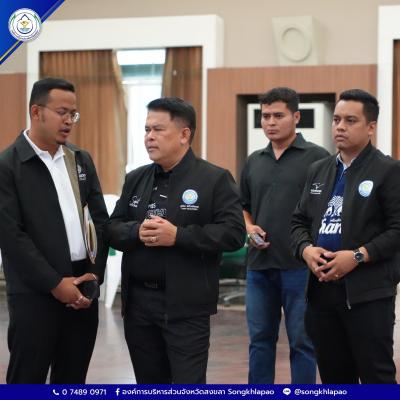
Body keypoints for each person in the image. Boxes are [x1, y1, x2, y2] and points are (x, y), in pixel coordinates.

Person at [108, 97, 245, 384]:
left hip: (187, 306)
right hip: (139, 306)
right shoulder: (136, 178)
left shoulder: (214, 179)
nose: (149, 137)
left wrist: (179, 236)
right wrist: (136, 232)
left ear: (184, 134)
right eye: (146, 130)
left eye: (158, 130)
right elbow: (112, 228)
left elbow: (233, 234)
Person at [0, 77, 108, 383]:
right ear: (36, 112)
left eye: (73, 114)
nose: (69, 121)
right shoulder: (8, 166)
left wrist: (93, 275)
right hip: (35, 293)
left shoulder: (79, 160)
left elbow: (100, 221)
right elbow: (11, 236)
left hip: (82, 288)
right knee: (27, 380)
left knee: (73, 379)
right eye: (62, 112)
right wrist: (55, 283)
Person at [291, 89, 400, 383]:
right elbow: (298, 222)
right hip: (321, 293)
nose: (340, 126)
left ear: (371, 127)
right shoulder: (318, 170)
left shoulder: (389, 171)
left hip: (368, 295)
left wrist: (357, 256)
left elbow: (397, 230)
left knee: (376, 378)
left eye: (350, 121)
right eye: (336, 119)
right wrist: (306, 250)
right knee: (335, 379)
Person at [240, 87, 329, 384]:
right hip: (259, 267)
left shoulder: (318, 158)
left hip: (300, 267)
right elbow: (243, 207)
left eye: (278, 115)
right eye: (265, 116)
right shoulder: (254, 160)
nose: (270, 122)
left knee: (303, 342)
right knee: (259, 341)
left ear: (296, 117)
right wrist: (249, 227)